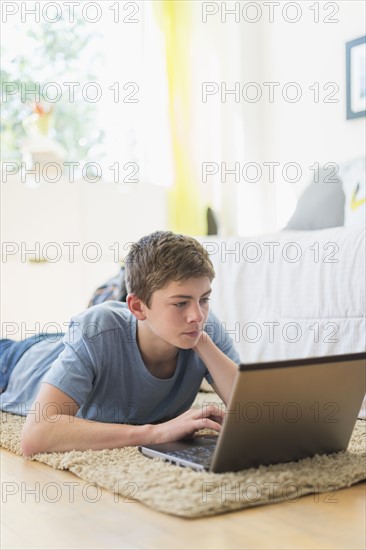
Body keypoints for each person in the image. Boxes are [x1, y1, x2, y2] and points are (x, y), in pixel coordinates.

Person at [0, 231, 240, 456]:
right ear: (137, 306)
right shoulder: (97, 329)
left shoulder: (201, 327)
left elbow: (255, 407)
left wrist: (203, 343)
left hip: (64, 344)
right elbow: (36, 435)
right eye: (180, 303)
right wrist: (155, 432)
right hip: (14, 362)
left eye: (204, 299)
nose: (197, 315)